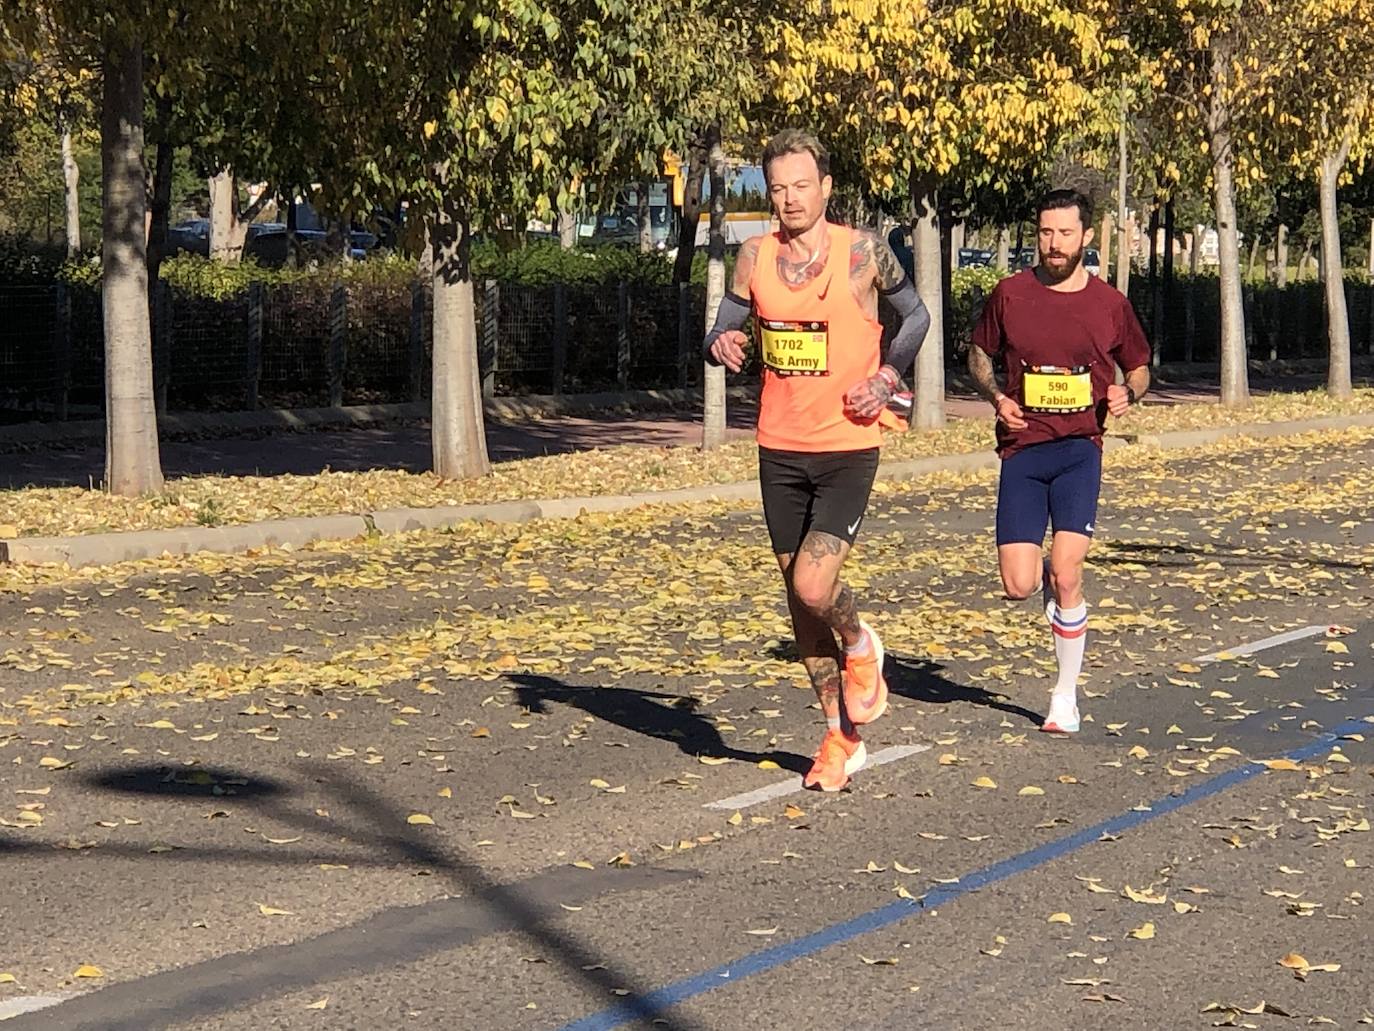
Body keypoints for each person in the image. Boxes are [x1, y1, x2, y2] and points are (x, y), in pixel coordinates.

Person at [703, 129, 931, 791]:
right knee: (800, 607)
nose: (789, 198)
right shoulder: (753, 255)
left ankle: (862, 646)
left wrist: (888, 376)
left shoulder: (861, 251)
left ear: (825, 188)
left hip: (848, 444)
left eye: (801, 185)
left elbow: (914, 317)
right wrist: (724, 342)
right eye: (778, 186)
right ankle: (839, 736)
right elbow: (724, 322)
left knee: (814, 585)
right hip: (779, 447)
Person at [967, 189, 1151, 734]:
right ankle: (1050, 591)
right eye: (1046, 232)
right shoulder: (1010, 294)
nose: (1054, 243)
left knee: (1067, 571)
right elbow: (979, 352)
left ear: (1086, 238)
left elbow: (1138, 368)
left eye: (1065, 233)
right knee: (1019, 585)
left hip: (1078, 450)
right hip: (1023, 450)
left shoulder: (1109, 304)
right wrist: (997, 397)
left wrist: (1127, 395)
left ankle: (1064, 697)